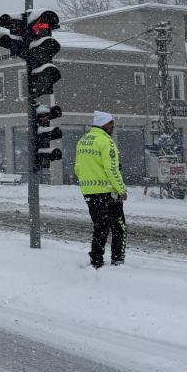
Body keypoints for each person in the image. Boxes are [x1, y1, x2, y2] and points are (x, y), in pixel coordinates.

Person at [75, 110, 128, 268]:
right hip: (108, 193)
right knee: (119, 228)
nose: (113, 127)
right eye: (111, 123)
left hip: (89, 193)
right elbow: (112, 169)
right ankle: (118, 260)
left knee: (100, 227)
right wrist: (121, 189)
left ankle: (96, 260)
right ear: (104, 124)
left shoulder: (82, 141)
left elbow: (77, 169)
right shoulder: (106, 142)